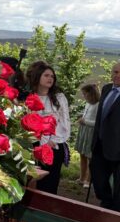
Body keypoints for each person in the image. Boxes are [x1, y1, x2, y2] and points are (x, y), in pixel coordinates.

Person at [26, 61, 70, 196]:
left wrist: (51, 142)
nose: (50, 78)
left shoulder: (59, 98)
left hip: (53, 147)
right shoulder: (28, 97)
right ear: (37, 77)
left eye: (52, 76)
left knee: (48, 187)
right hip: (31, 146)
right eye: (46, 75)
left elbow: (65, 123)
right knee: (30, 183)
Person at [90, 62, 120, 211]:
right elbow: (100, 118)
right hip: (100, 144)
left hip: (118, 148)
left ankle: (115, 217)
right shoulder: (106, 89)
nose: (117, 75)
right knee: (98, 177)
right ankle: (106, 202)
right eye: (115, 72)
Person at [75, 83, 99, 188]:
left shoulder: (98, 104)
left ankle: (88, 181)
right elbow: (86, 115)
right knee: (82, 155)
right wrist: (82, 119)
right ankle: (82, 178)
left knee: (90, 156)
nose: (84, 96)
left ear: (91, 94)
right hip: (83, 130)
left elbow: (97, 122)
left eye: (85, 94)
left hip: (91, 132)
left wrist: (85, 121)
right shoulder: (88, 103)